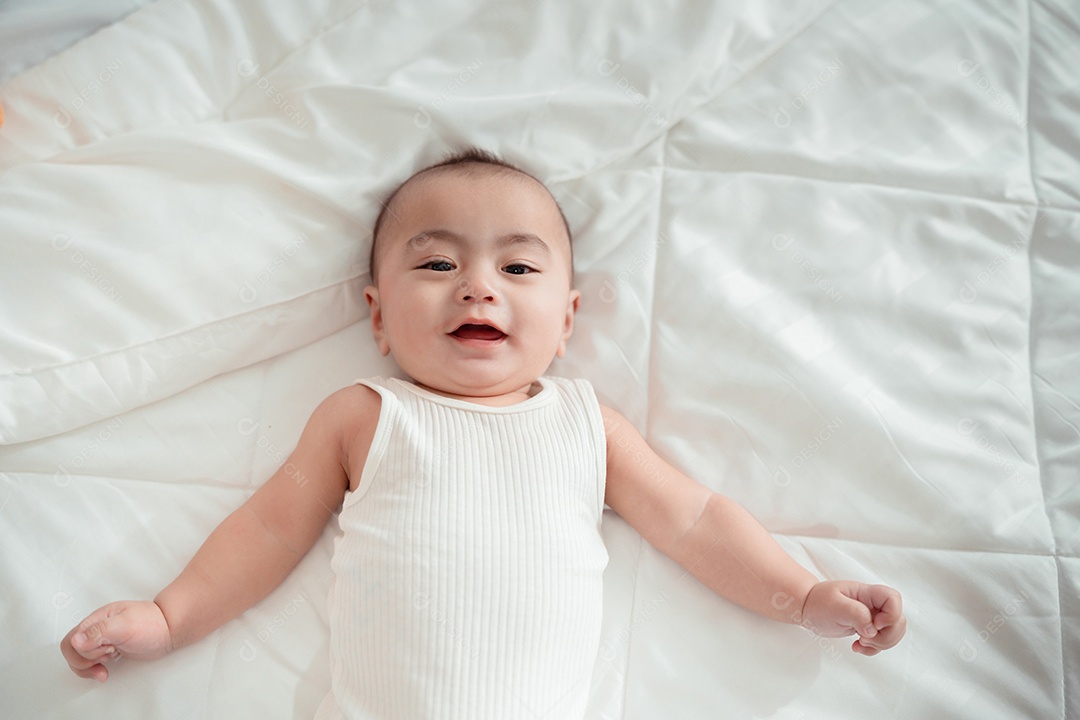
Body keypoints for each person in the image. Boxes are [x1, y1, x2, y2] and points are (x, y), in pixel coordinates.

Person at [61, 148, 906, 718]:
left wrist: (800, 596)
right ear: (378, 315)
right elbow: (269, 529)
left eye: (519, 266)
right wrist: (169, 617)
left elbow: (693, 522)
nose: (476, 287)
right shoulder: (366, 416)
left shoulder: (585, 425)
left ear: (567, 317)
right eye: (436, 263)